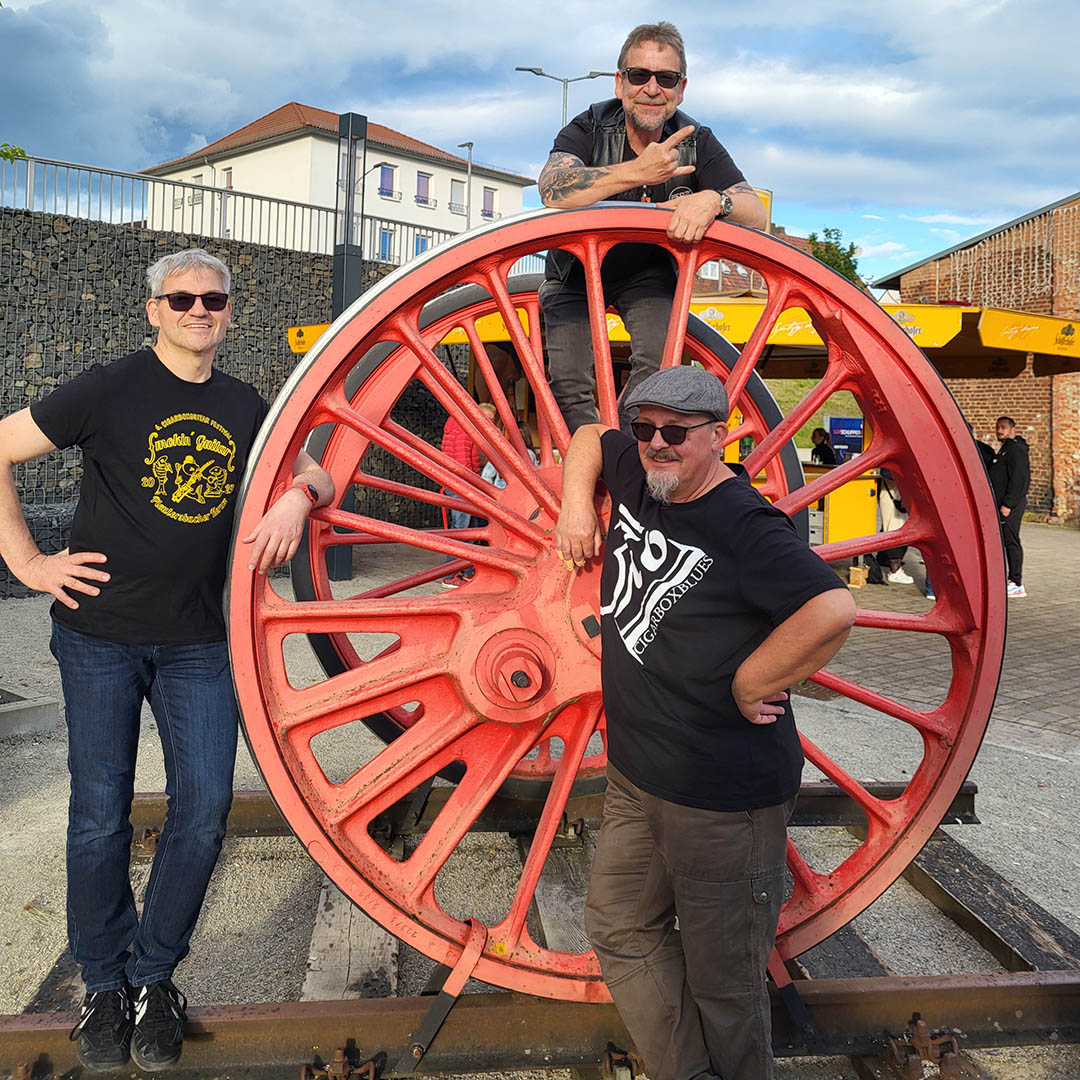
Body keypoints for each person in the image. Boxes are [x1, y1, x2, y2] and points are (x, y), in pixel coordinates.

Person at [0, 248, 333, 1072]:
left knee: (204, 809)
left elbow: (318, 473)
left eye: (212, 299)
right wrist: (29, 564)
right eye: (181, 299)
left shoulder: (245, 404)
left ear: (229, 310)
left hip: (199, 644)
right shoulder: (107, 388)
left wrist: (297, 497)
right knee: (99, 813)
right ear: (153, 310)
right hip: (99, 637)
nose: (198, 311)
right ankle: (103, 985)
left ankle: (153, 977)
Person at [554, 366, 855, 1080]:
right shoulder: (642, 473)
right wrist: (575, 508)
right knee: (619, 926)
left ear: (718, 436)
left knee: (726, 987)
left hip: (722, 798)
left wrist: (754, 679)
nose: (657, 443)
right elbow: (589, 436)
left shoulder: (743, 523)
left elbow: (832, 609)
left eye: (677, 432)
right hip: (637, 777)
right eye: (646, 429)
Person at [537, 21, 767, 434]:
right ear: (620, 82)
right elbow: (553, 188)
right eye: (639, 75)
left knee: (660, 372)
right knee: (568, 382)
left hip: (649, 274)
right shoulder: (590, 126)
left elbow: (756, 213)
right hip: (575, 272)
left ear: (681, 88)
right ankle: (597, 455)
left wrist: (716, 200)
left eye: (666, 78)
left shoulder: (696, 140)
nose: (652, 88)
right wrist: (636, 171)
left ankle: (626, 455)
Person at [440, 402, 496, 587]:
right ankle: (450, 575)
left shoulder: (459, 426)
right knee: (461, 530)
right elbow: (463, 462)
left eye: (492, 421)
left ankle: (466, 570)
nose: (489, 424)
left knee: (468, 528)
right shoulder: (464, 430)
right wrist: (473, 484)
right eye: (488, 419)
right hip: (462, 486)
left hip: (457, 484)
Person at [990, 415, 1030, 597]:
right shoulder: (1005, 449)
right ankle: (1007, 578)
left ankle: (1016, 583)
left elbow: (1019, 481)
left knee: (1011, 541)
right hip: (1002, 504)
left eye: (1003, 428)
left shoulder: (1016, 451)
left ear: (1013, 430)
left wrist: (1008, 504)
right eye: (998, 427)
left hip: (1011, 506)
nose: (999, 431)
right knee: (1004, 541)